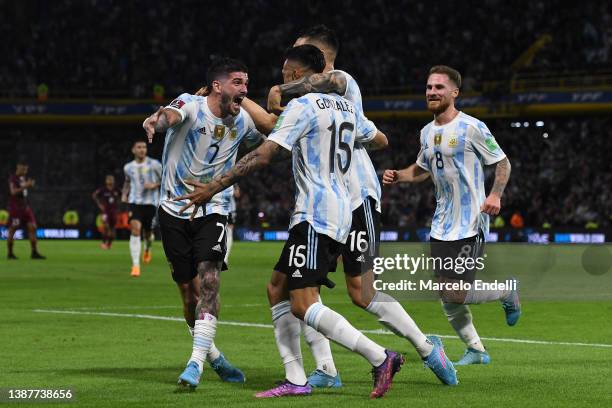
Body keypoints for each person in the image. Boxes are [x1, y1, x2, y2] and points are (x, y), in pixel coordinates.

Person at [177, 45, 403, 399]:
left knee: (303, 303)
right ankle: (295, 378)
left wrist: (214, 186)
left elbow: (266, 154)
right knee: (277, 288)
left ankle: (379, 356)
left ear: (298, 75)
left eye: (285, 74)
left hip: (315, 212)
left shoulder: (301, 107)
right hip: (344, 209)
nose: (281, 80)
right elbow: (380, 140)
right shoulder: (347, 107)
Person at [245, 25, 456, 388]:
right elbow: (275, 125)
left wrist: (280, 89)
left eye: (299, 52)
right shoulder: (310, 102)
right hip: (325, 202)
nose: (291, 60)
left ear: (317, 54)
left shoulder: (342, 82)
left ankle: (425, 347)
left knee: (361, 292)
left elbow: (326, 86)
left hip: (357, 198)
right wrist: (245, 101)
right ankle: (324, 370)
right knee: (284, 286)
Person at [383, 65, 521, 365]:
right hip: (441, 223)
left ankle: (507, 291)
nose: (432, 92)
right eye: (429, 87)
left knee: (453, 292)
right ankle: (476, 350)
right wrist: (399, 176)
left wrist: (495, 194)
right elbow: (420, 170)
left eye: (439, 88)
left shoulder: (472, 127)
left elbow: (502, 163)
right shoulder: (426, 132)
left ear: (454, 92)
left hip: (470, 220)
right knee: (446, 293)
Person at [142, 57, 262, 389]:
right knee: (188, 292)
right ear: (217, 86)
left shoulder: (244, 121)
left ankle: (194, 363)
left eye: (247, 83)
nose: (246, 90)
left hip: (214, 209)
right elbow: (171, 115)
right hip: (173, 210)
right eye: (238, 83)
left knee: (209, 281)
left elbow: (265, 145)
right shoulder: (192, 105)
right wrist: (156, 119)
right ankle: (214, 358)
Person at [121, 140, 162, 277]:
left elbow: (165, 180)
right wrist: (124, 194)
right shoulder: (128, 167)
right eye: (139, 147)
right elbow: (127, 181)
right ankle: (135, 265)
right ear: (133, 150)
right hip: (135, 203)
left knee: (148, 235)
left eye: (144, 147)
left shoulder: (155, 164)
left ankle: (147, 248)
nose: (142, 149)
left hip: (151, 203)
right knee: (135, 229)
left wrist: (154, 185)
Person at [6, 159, 45, 260]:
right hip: (16, 209)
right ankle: (10, 254)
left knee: (33, 227)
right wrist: (26, 186)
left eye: (26, 170)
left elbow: (24, 192)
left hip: (25, 208)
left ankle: (34, 252)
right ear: (18, 167)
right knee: (13, 230)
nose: (25, 171)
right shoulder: (13, 179)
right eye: (23, 169)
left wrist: (29, 185)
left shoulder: (23, 178)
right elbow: (13, 192)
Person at [92, 174, 121, 249]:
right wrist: (99, 205)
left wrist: (118, 204)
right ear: (106, 181)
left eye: (111, 179)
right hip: (105, 212)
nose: (110, 181)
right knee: (106, 227)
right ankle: (104, 243)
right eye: (109, 179)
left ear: (114, 181)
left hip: (114, 212)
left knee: (113, 228)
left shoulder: (117, 190)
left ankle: (109, 244)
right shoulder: (103, 190)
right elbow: (94, 195)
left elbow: (123, 195)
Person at [224, 185, 240, 264]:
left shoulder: (232, 180)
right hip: (218, 208)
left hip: (230, 209)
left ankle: (225, 258)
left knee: (229, 232)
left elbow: (237, 194)